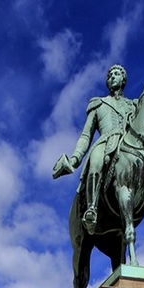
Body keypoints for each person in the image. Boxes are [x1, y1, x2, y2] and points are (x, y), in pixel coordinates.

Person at [58, 64, 136, 233]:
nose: (112, 77)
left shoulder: (133, 106)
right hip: (106, 142)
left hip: (128, 145)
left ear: (123, 79)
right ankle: (92, 208)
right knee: (96, 164)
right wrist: (75, 159)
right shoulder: (99, 104)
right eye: (110, 76)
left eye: (116, 74)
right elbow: (86, 135)